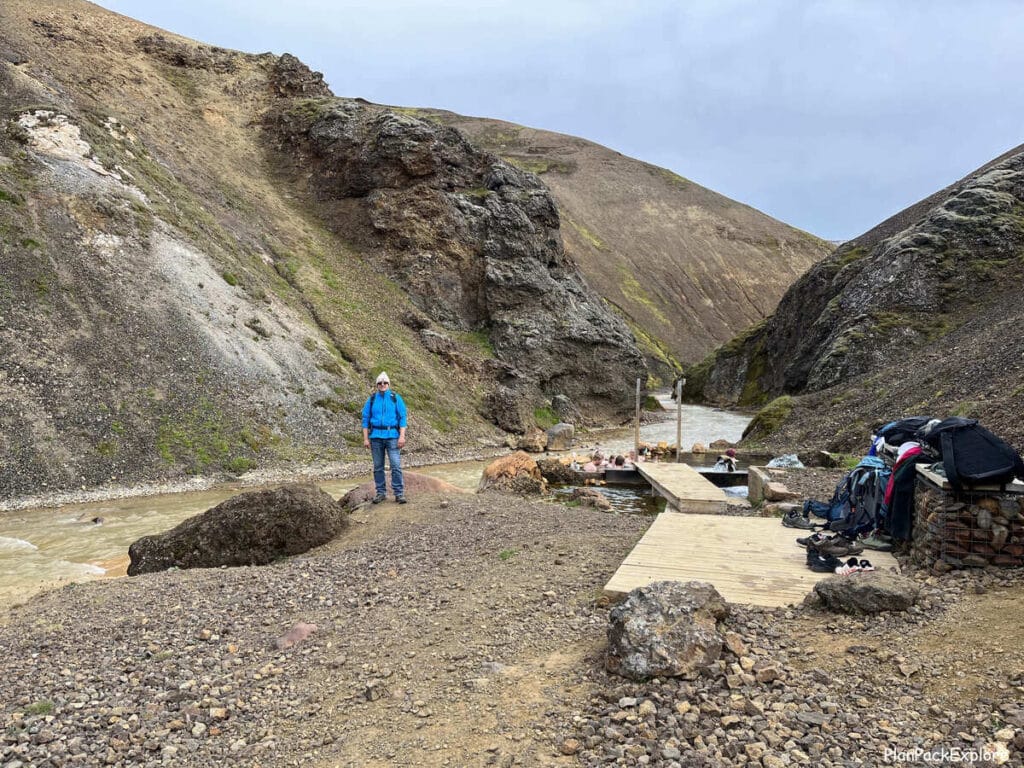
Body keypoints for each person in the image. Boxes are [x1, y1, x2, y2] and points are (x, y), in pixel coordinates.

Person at [361, 371, 408, 504]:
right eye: (380, 383)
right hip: (375, 436)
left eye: (385, 382)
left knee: (396, 465)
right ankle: (381, 493)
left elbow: (402, 417)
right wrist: (365, 438)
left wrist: (402, 436)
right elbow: (365, 419)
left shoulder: (395, 398)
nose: (382, 384)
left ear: (388, 384)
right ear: (377, 385)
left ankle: (399, 493)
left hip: (393, 436)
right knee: (377, 467)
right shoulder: (371, 399)